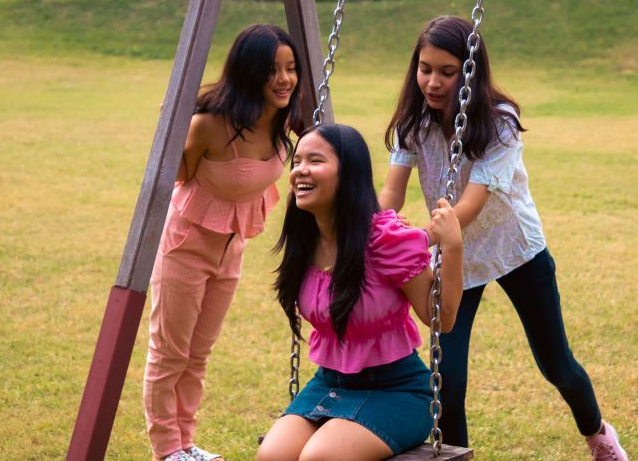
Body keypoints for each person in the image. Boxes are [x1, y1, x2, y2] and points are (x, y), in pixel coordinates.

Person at [378, 16, 629, 461]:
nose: (432, 82)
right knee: (447, 379)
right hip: (458, 259)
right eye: (425, 68)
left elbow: (470, 207)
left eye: (447, 72)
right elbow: (393, 192)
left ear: (470, 72)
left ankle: (599, 436)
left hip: (516, 250)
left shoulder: (499, 122)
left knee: (557, 365)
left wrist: (418, 240)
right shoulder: (412, 122)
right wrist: (375, 231)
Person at [256, 123, 464, 461]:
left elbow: (442, 319)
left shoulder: (385, 239)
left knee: (319, 458)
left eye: (316, 160)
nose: (300, 171)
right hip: (330, 383)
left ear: (348, 174)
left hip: (397, 389)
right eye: (297, 161)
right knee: (271, 456)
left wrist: (452, 246)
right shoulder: (304, 239)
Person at [143, 24, 302, 461]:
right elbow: (178, 175)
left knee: (198, 354)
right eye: (272, 70)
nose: (284, 79)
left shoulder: (285, 117)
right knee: (170, 353)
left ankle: (186, 444)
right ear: (249, 72)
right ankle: (166, 451)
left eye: (290, 68)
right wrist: (171, 123)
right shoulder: (210, 126)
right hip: (185, 247)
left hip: (232, 250)